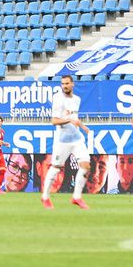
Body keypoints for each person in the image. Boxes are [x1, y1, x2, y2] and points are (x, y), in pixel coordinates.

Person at [42, 74, 91, 210]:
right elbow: (54, 121)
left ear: (72, 84)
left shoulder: (77, 100)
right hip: (62, 140)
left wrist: (82, 126)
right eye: (63, 84)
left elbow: (73, 117)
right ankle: (45, 197)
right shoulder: (58, 99)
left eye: (67, 83)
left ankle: (76, 197)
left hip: (76, 138)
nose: (65, 86)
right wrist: (69, 120)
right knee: (55, 168)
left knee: (86, 165)